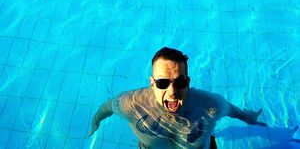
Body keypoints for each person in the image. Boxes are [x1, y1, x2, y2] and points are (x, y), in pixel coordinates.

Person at [89, 47, 267, 148]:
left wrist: (249, 118)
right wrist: (95, 122)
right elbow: (108, 107)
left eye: (179, 82)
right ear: (152, 83)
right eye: (162, 83)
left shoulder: (210, 107)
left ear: (188, 82)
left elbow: (231, 109)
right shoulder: (132, 104)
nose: (172, 91)